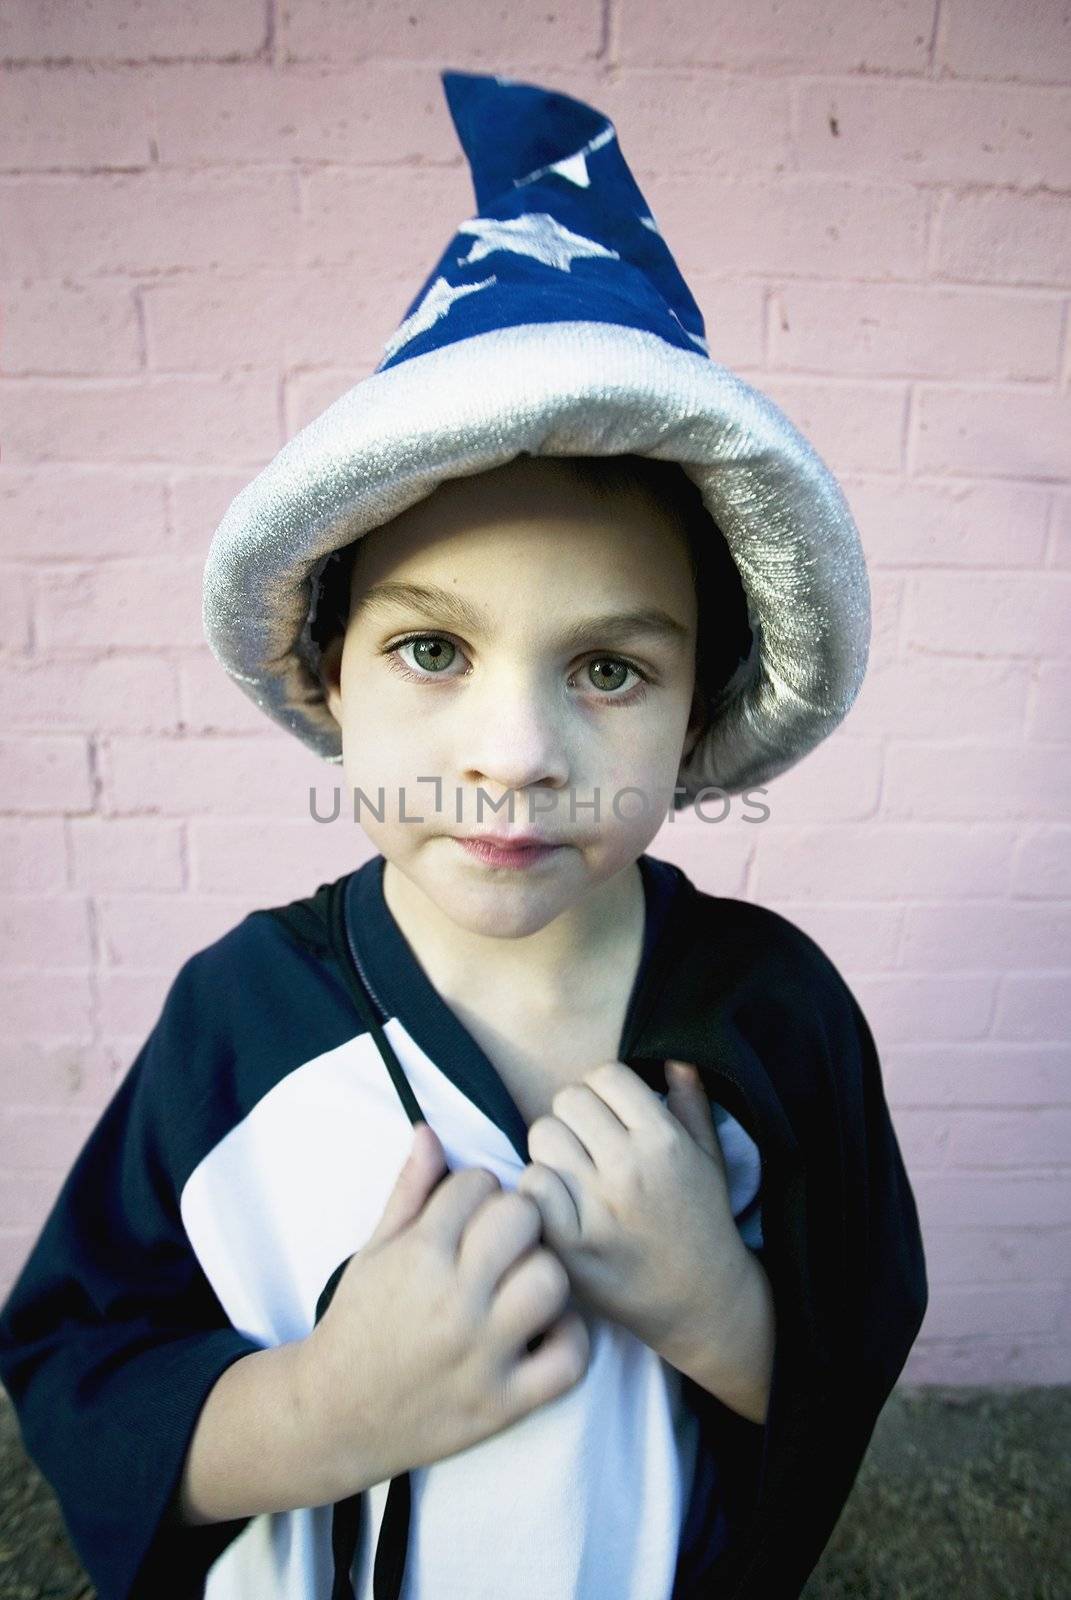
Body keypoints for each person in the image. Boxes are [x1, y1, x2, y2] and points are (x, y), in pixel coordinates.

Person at [0, 69, 928, 1600]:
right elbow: (79, 1356)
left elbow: (854, 1346)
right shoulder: (238, 1024)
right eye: (434, 651)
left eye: (609, 670)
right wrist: (322, 1411)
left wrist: (723, 1312)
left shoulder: (779, 1019)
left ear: (695, 713)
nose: (513, 759)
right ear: (329, 671)